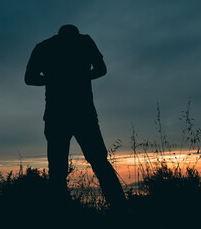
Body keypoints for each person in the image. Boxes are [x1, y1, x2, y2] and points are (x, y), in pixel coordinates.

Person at [24, 24, 126, 207]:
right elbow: (101, 69)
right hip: (80, 113)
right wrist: (79, 77)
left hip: (61, 114)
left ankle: (63, 212)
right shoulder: (83, 42)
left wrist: (54, 78)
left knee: (58, 168)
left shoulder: (45, 46)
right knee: (98, 163)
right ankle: (120, 208)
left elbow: (29, 78)